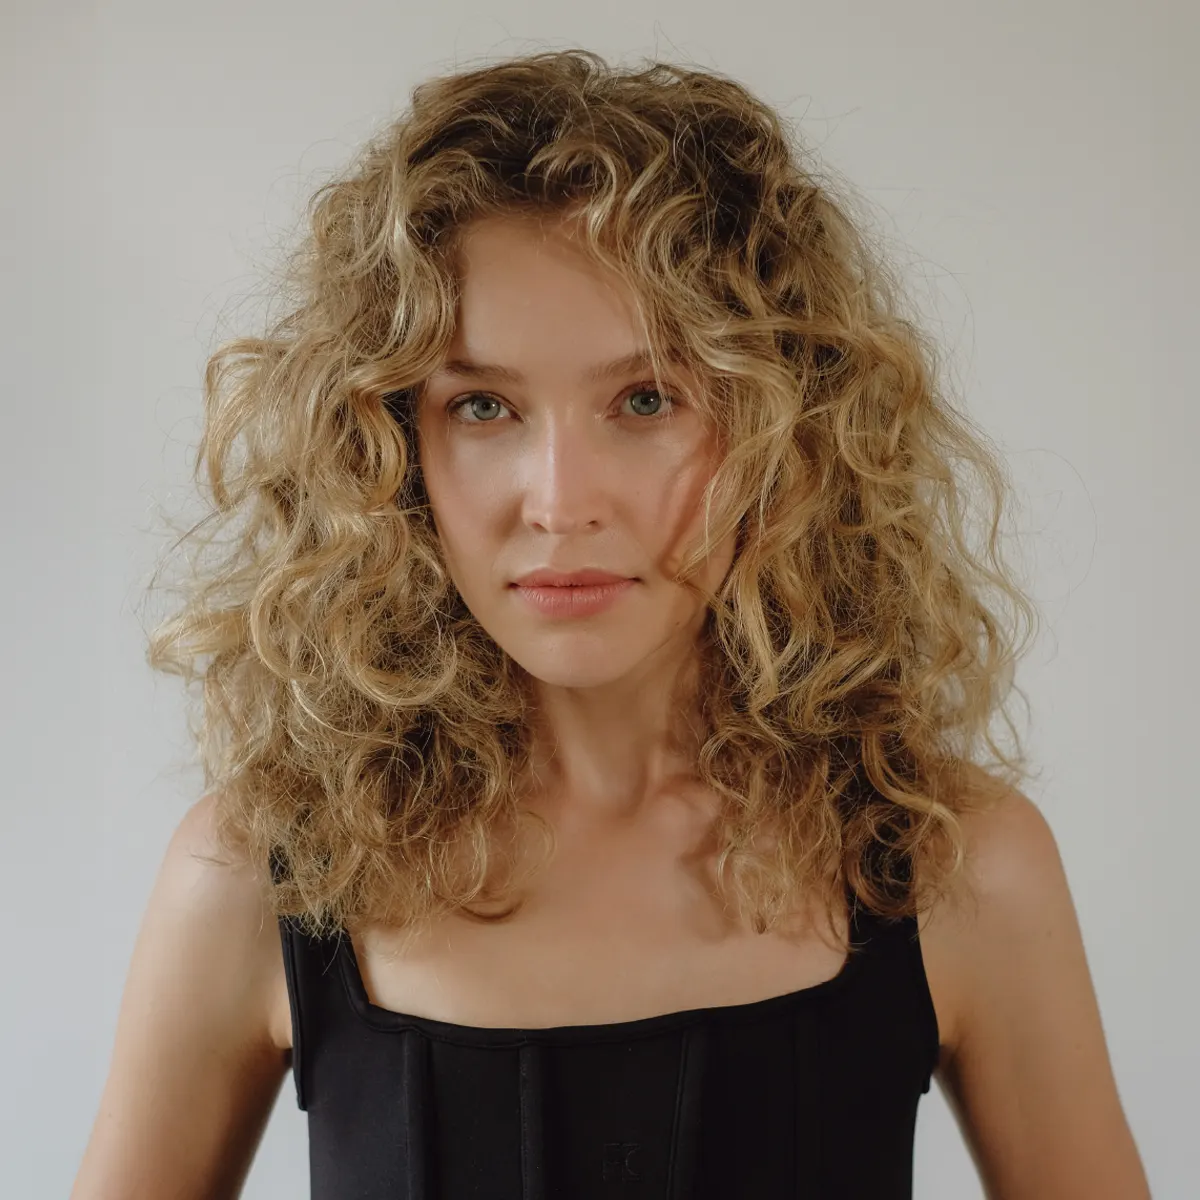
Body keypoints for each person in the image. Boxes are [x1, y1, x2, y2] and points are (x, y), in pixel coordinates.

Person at [71, 48, 1150, 1199]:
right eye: (482, 406)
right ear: (387, 447)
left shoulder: (959, 864)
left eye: (646, 399)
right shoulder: (254, 876)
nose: (559, 500)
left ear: (784, 429)